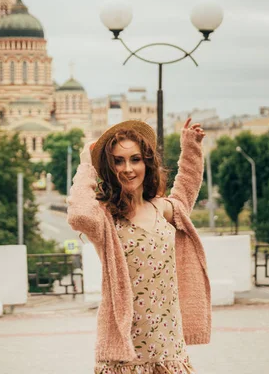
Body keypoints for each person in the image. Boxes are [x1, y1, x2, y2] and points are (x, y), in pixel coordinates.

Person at [67, 118, 211, 374]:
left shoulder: (164, 208)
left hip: (168, 349)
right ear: (110, 168)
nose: (128, 168)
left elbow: (187, 184)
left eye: (135, 159)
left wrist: (191, 145)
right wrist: (86, 166)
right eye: (118, 161)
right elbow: (79, 214)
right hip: (126, 354)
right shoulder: (105, 219)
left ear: (146, 162)